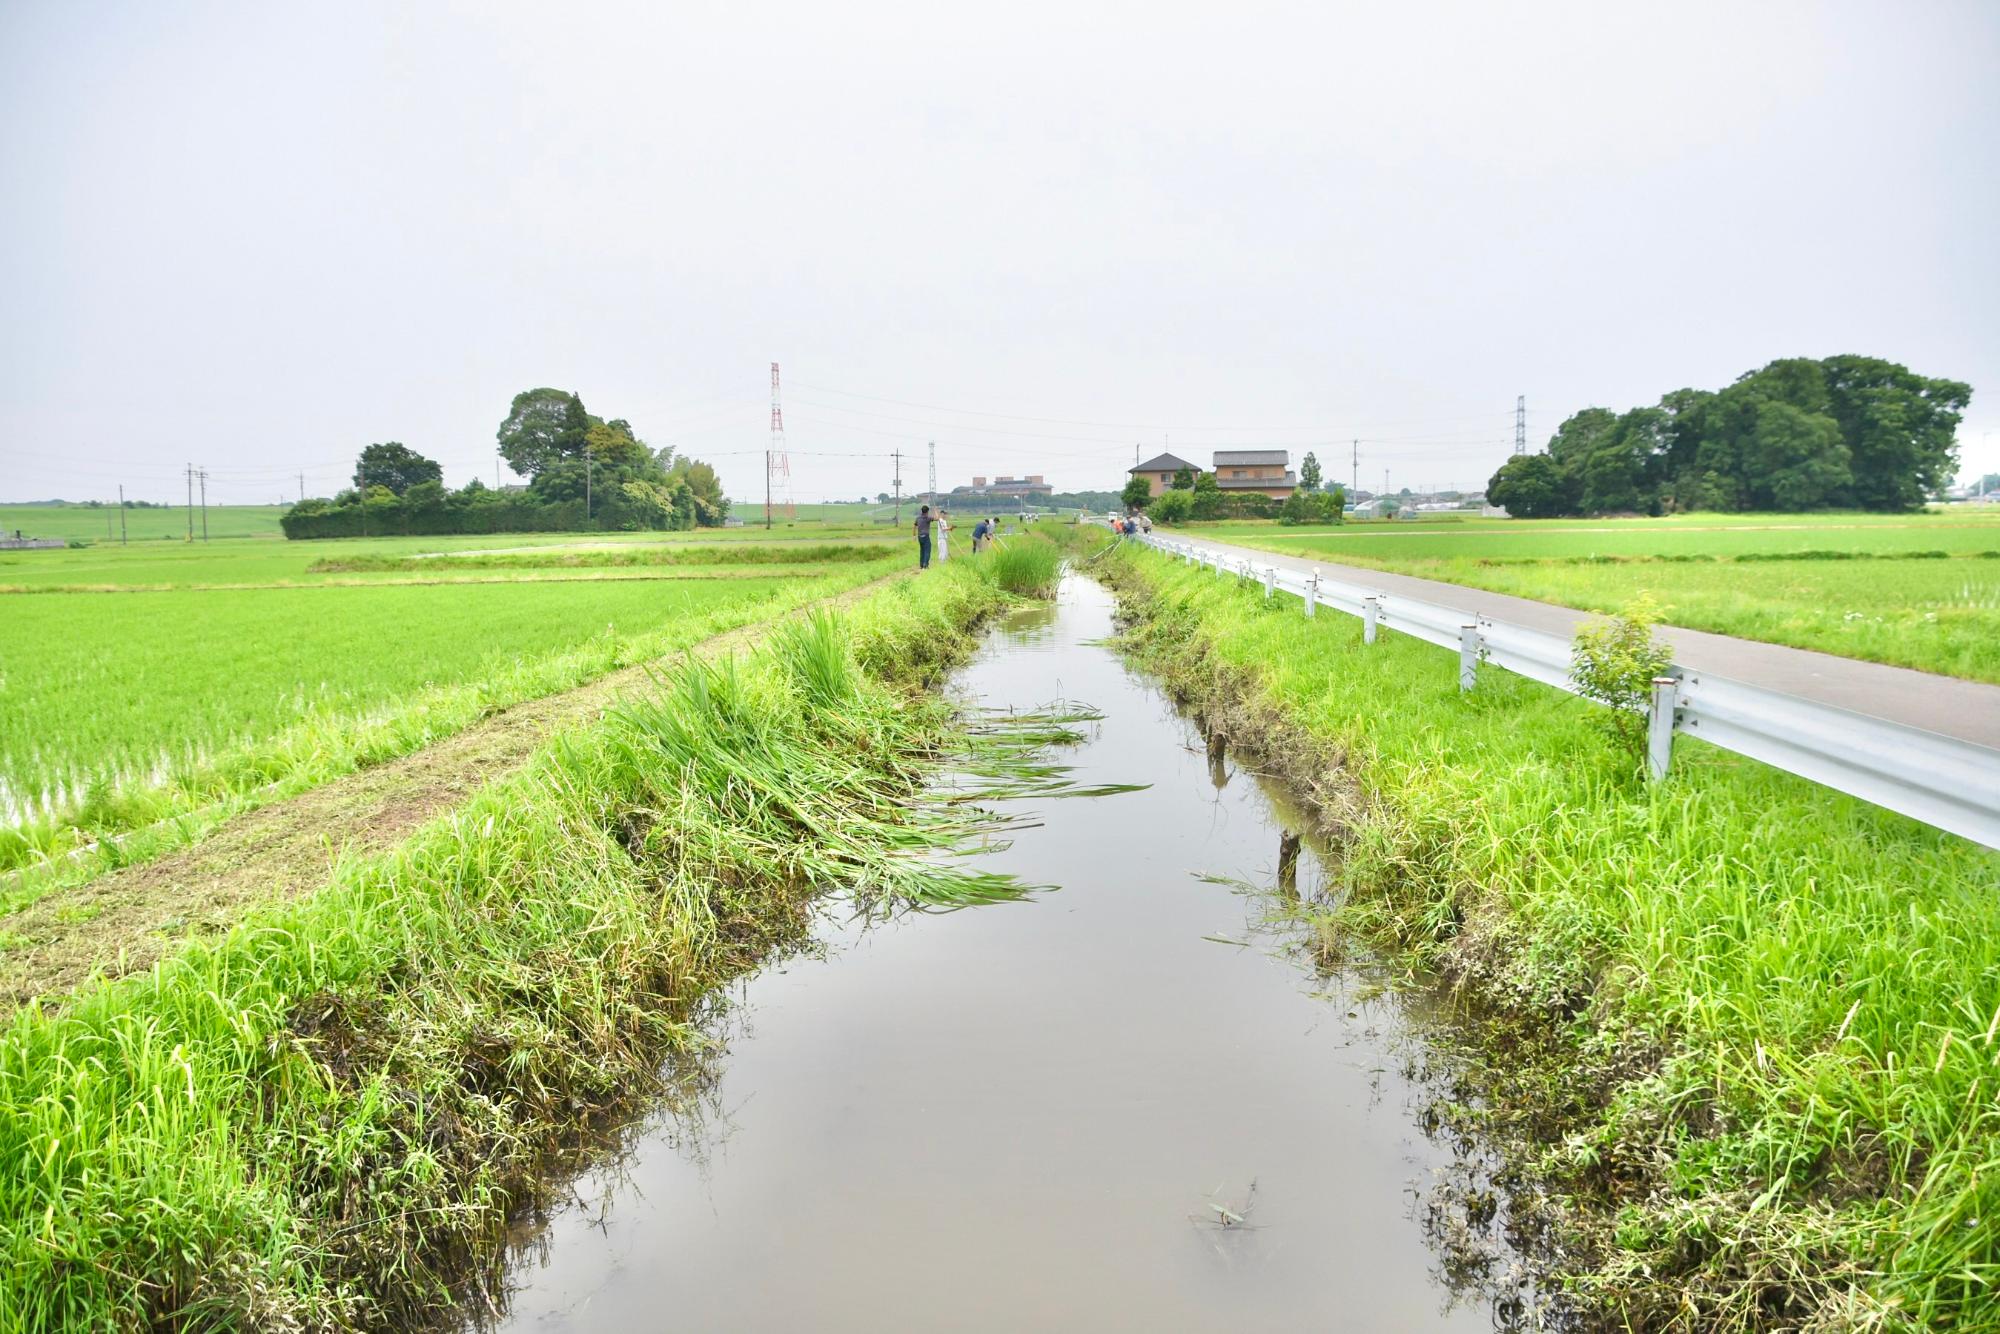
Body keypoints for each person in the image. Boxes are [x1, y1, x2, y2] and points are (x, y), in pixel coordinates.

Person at [914, 504, 934, 569]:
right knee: (927, 550)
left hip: (919, 537)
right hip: (926, 536)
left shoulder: (918, 518)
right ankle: (925, 564)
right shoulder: (928, 518)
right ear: (927, 511)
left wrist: (914, 535)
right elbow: (937, 518)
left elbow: (914, 526)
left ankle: (921, 565)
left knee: (922, 550)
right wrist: (936, 511)